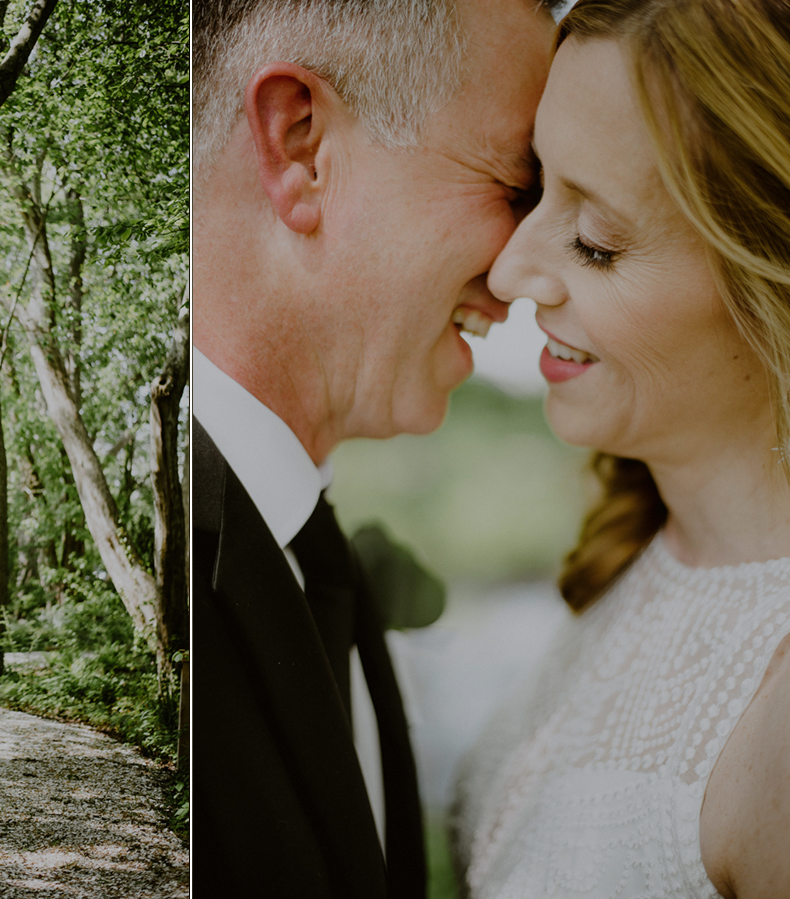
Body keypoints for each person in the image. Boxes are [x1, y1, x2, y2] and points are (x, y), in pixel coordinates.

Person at [191, 0, 556, 894]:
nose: (530, 266)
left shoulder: (316, 557)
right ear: (303, 146)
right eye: (518, 187)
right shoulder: (175, 574)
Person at [450, 1, 790, 896]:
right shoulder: (638, 548)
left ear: (768, 275)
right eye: (535, 188)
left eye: (596, 242)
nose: (510, 272)